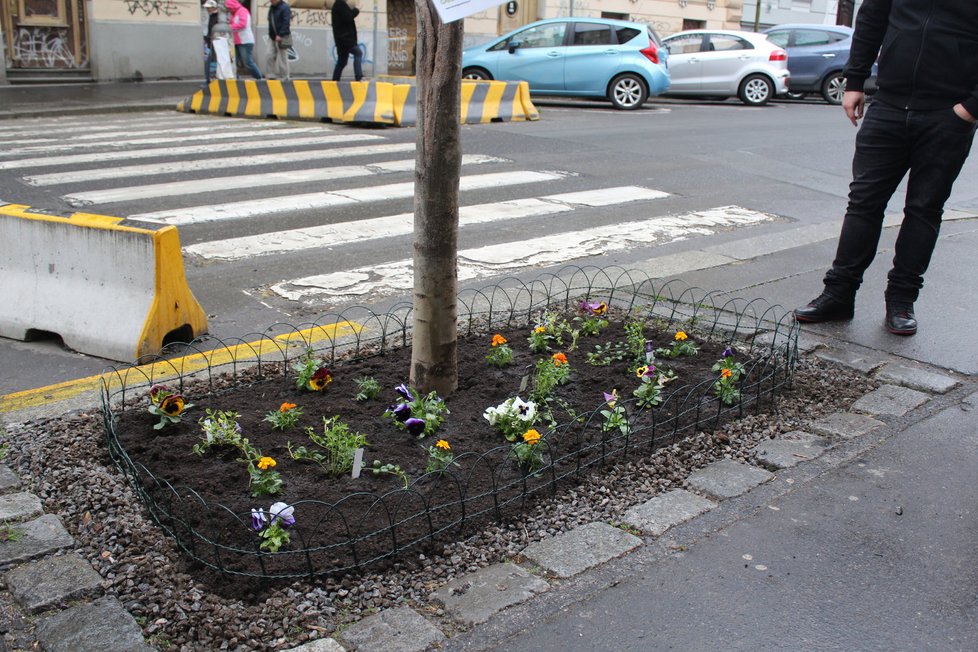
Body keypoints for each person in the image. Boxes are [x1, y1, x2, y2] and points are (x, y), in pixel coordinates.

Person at [794, 0, 978, 336]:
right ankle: (838, 294)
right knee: (863, 203)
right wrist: (854, 81)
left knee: (923, 210)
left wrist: (970, 109)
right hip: (889, 104)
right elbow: (871, 20)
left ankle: (901, 301)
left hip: (948, 114)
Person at [226, 0, 263, 80]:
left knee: (248, 62)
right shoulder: (234, 13)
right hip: (237, 41)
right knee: (233, 61)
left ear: (233, 6)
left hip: (245, 41)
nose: (228, 10)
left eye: (229, 8)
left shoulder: (242, 11)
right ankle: (234, 77)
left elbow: (243, 24)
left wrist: (230, 26)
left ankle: (259, 78)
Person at [330, 0, 363, 82]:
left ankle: (335, 80)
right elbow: (348, 17)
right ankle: (359, 77)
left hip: (342, 38)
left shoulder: (339, 5)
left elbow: (347, 17)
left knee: (342, 61)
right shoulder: (340, 4)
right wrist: (357, 9)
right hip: (345, 38)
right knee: (358, 53)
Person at [266, 0, 292, 80]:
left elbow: (286, 22)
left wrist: (280, 34)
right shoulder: (272, 8)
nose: (271, 1)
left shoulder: (285, 7)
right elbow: (270, 20)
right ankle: (271, 75)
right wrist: (271, 34)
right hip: (272, 36)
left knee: (282, 57)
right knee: (269, 55)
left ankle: (285, 77)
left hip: (282, 36)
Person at [202, 0, 219, 85]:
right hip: (210, 41)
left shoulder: (217, 17)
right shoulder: (212, 16)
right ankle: (208, 80)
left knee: (211, 62)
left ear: (213, 7)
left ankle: (209, 80)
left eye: (209, 8)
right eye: (207, 8)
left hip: (214, 42)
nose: (207, 9)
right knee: (209, 61)